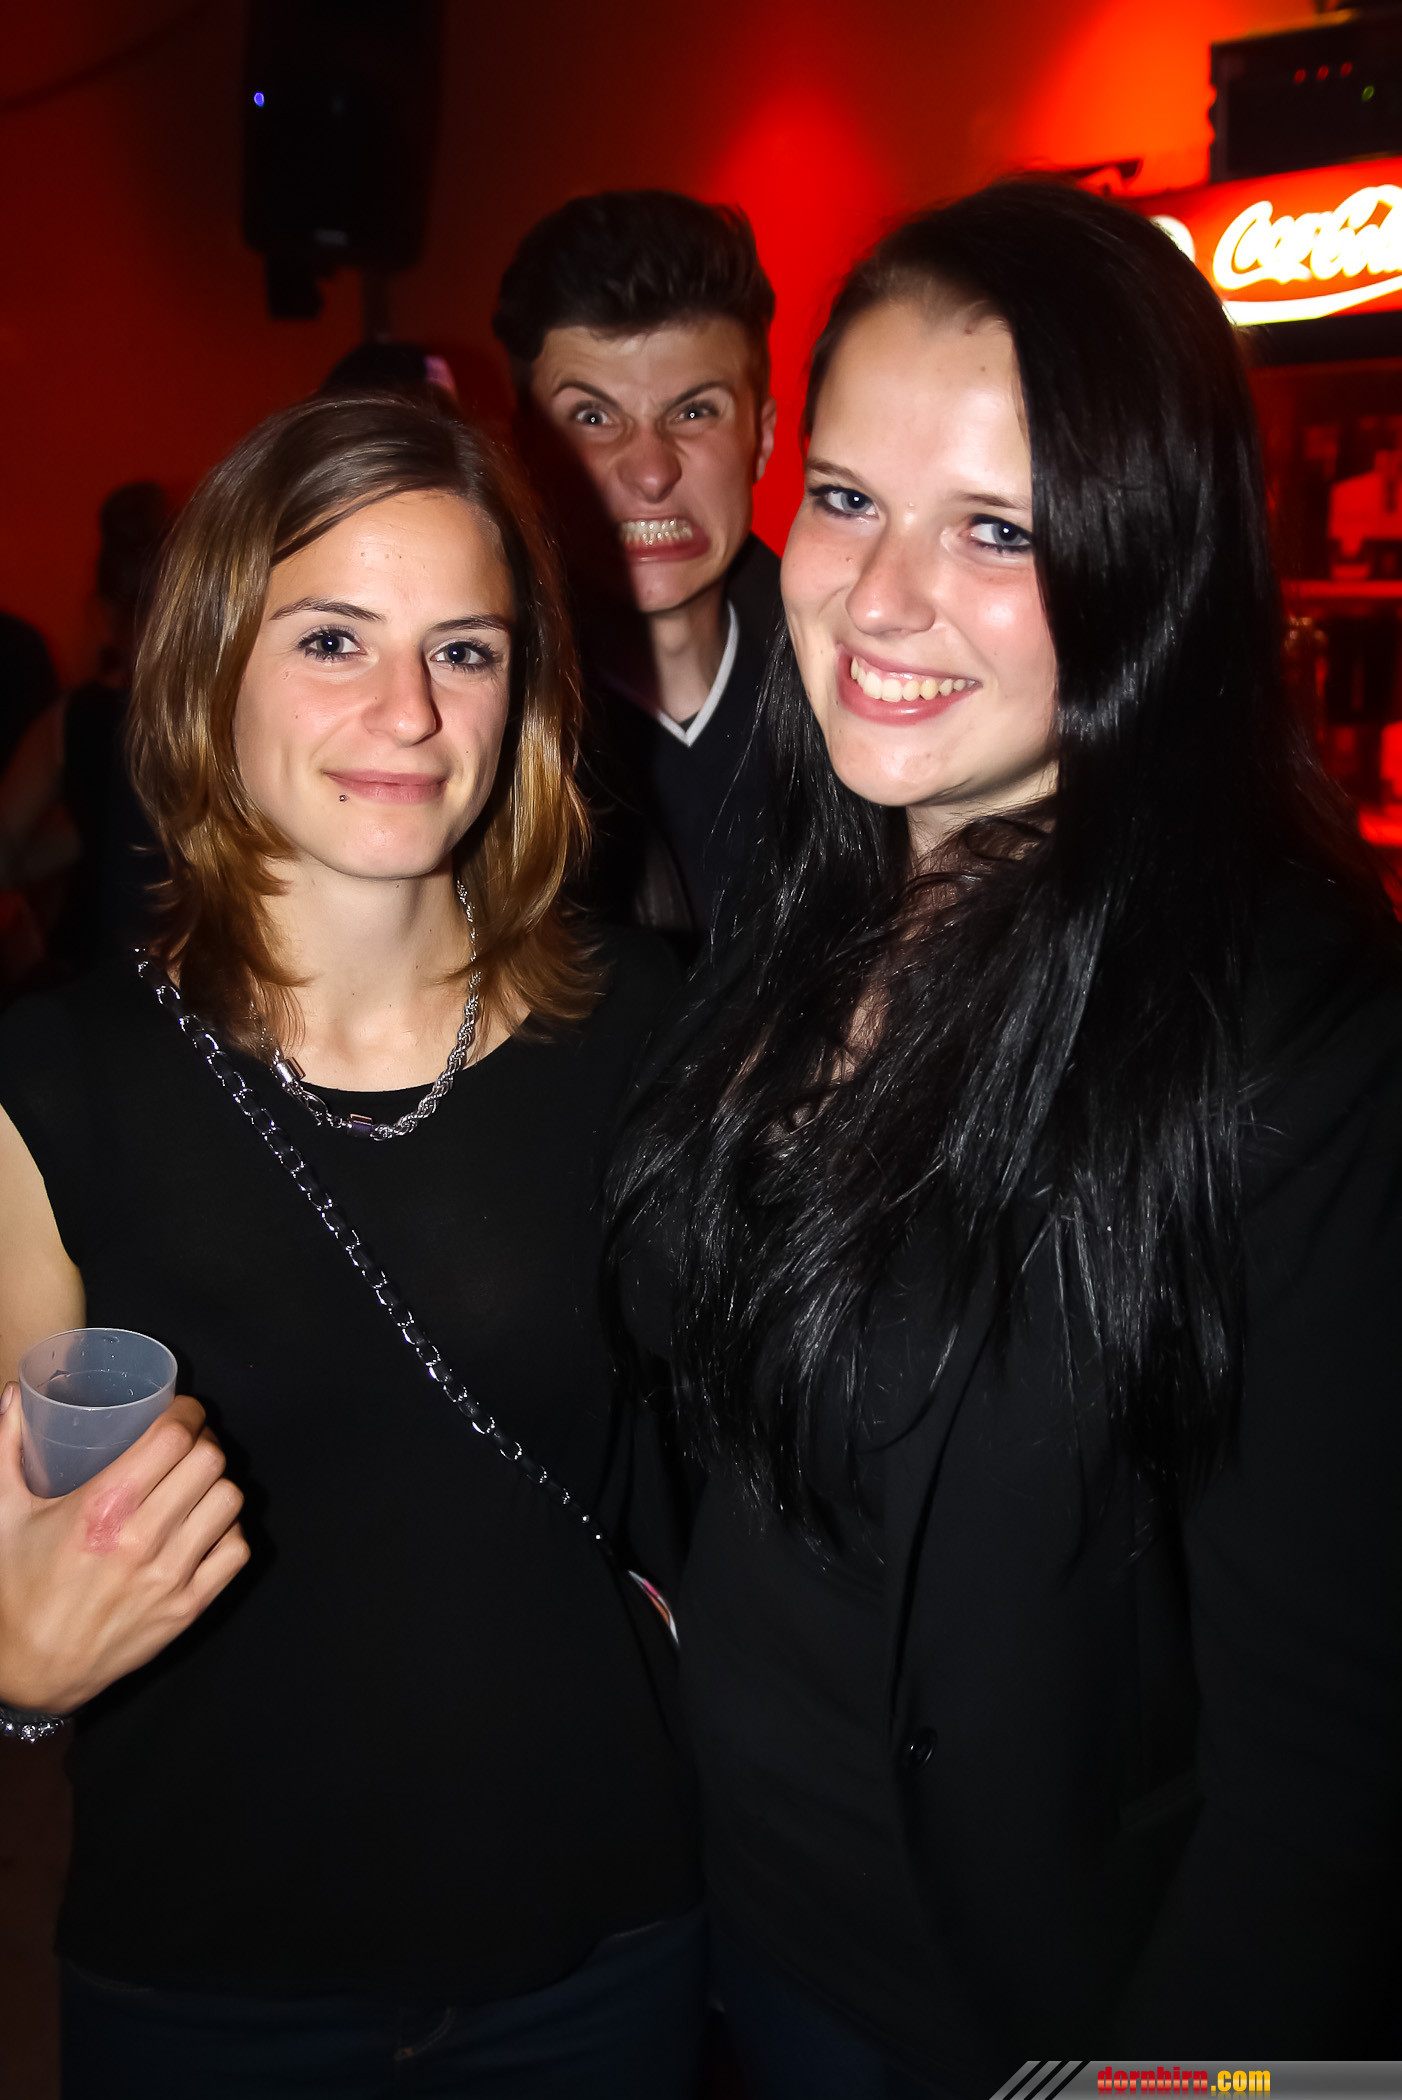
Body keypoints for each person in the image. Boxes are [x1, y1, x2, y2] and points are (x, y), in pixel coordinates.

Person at [608, 181, 1402, 2095]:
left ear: (1151, 556)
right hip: (717, 1928)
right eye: (849, 499)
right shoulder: (803, 900)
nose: (880, 598)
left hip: (1009, 2020)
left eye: (996, 529)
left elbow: (1331, 1778)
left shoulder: (1297, 1043)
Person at [0, 394, 701, 2097]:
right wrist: (15, 1674)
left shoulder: (654, 1032)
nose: (408, 711)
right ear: (209, 668)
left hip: (595, 1947)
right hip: (206, 1978)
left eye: (464, 650)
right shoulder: (58, 1081)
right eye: (333, 640)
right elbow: (17, 1536)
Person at [494, 190, 781, 945]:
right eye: (593, 417)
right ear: (527, 450)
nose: (651, 472)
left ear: (761, 438)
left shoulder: (870, 699)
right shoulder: (477, 736)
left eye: (694, 411)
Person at [0, 483, 170, 970]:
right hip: (193, 972)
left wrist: (87, 831)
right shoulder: (221, 711)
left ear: (102, 615)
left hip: (93, 966)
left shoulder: (72, 719)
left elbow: (5, 857)